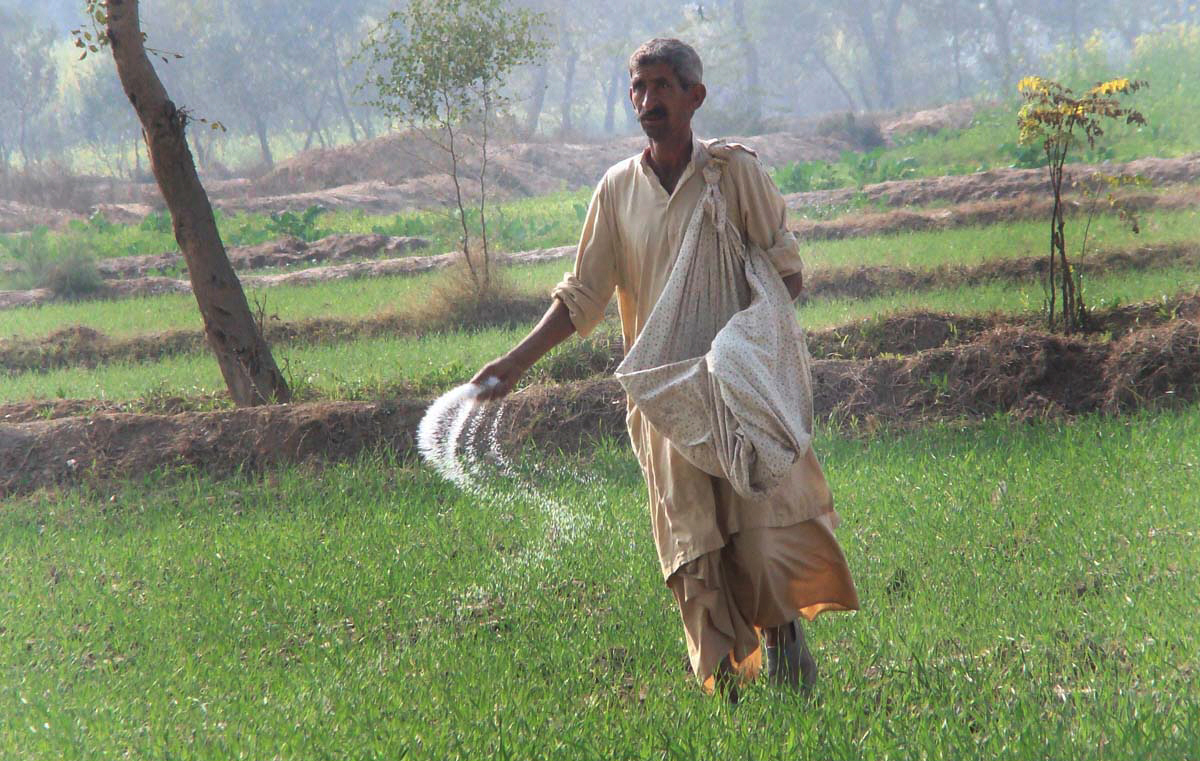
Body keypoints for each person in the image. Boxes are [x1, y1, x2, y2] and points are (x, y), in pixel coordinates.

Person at [472, 38, 858, 701]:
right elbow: (582, 299)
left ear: (694, 96)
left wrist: (739, 349)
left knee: (761, 537)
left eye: (661, 87)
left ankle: (787, 647)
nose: (648, 101)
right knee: (695, 550)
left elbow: (783, 277)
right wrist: (512, 363)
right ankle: (731, 695)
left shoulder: (735, 176)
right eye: (638, 88)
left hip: (741, 394)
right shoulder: (617, 192)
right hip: (665, 403)